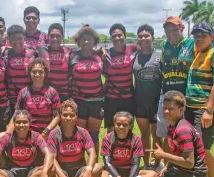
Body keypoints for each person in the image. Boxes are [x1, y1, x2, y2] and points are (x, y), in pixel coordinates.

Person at [144, 91, 212, 177]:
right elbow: (177, 152)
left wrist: (163, 155)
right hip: (178, 168)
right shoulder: (172, 126)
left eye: (170, 109)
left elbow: (189, 162)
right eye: (164, 108)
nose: (166, 112)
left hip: (192, 174)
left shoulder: (182, 130)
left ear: (181, 110)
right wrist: (167, 167)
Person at [184, 23, 214, 177]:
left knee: (204, 150)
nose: (198, 38)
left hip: (203, 110)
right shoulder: (198, 53)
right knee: (195, 149)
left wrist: (209, 110)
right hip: (190, 108)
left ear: (212, 37)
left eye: (203, 35)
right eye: (196, 35)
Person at [0, 110, 54, 177]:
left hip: (31, 171)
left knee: (51, 169)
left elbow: (48, 154)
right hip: (12, 171)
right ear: (14, 124)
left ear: (29, 124)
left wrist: (43, 173)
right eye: (18, 122)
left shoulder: (35, 136)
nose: (21, 125)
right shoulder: (8, 136)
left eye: (25, 122)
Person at [48, 100, 102, 177]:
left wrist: (89, 169)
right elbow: (52, 158)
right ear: (60, 116)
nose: (68, 118)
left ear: (76, 116)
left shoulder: (83, 132)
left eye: (72, 115)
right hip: (63, 170)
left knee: (97, 167)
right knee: (50, 173)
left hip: (79, 169)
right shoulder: (54, 134)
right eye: (65, 115)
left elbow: (92, 153)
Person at [99, 111, 157, 177]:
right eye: (118, 124)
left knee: (153, 174)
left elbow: (136, 164)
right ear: (114, 124)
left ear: (130, 126)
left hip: (129, 171)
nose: (121, 127)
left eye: (125, 125)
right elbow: (107, 163)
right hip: (113, 173)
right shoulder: (107, 138)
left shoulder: (136, 139)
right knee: (98, 175)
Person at [156, 16, 194, 144]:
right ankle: (168, 162)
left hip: (184, 94)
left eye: (174, 29)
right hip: (167, 93)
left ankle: (182, 162)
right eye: (167, 30)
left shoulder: (190, 43)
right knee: (167, 131)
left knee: (183, 131)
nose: (170, 32)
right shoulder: (164, 45)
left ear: (181, 28)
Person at [69, 25, 105, 154]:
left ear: (94, 41)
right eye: (83, 39)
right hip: (79, 101)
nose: (86, 42)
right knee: (80, 135)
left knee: (93, 135)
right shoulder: (72, 56)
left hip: (97, 101)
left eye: (89, 39)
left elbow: (109, 75)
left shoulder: (100, 56)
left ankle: (94, 163)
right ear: (78, 42)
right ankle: (82, 164)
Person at [133, 24, 162, 170]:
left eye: (147, 35)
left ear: (152, 37)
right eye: (141, 36)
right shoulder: (134, 57)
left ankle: (157, 164)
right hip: (140, 102)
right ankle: (146, 164)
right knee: (144, 134)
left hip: (157, 102)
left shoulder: (159, 56)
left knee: (156, 134)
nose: (143, 38)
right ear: (137, 39)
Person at [8, 58, 61, 136]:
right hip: (27, 133)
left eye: (40, 72)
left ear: (45, 73)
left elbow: (57, 116)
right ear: (30, 73)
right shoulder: (23, 92)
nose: (37, 74)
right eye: (34, 72)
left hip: (45, 133)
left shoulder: (52, 92)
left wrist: (46, 131)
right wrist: (8, 133)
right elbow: (16, 114)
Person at [103, 23, 138, 132]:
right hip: (111, 99)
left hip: (128, 98)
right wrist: (100, 48)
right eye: (114, 36)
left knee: (127, 129)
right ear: (111, 38)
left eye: (120, 35)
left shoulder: (132, 49)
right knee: (111, 130)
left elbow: (146, 47)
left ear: (125, 36)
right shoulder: (106, 54)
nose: (117, 38)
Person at [3, 25, 36, 116]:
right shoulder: (5, 54)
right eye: (13, 39)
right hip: (12, 99)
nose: (17, 41)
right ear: (9, 40)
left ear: (24, 38)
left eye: (19, 38)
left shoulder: (33, 53)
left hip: (29, 98)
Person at [37, 23, 72, 103]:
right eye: (52, 36)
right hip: (47, 94)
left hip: (64, 94)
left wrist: (100, 50)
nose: (55, 38)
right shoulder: (41, 52)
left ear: (62, 37)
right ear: (48, 37)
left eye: (58, 36)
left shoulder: (69, 52)